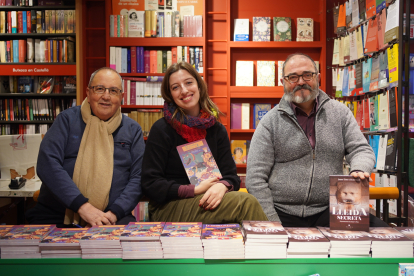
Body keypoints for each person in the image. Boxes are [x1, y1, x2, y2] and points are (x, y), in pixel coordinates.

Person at [246, 53, 388, 228]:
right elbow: (255, 178)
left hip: (332, 207)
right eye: (293, 77)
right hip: (281, 212)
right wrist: (272, 222)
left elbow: (361, 149)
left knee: (385, 235)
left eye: (307, 75)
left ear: (318, 77)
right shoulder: (270, 122)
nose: (300, 82)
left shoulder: (340, 113)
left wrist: (359, 168)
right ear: (283, 82)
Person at [141, 61, 267, 224]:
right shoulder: (162, 129)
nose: (184, 90)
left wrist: (222, 186)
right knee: (245, 203)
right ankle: (272, 246)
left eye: (188, 83)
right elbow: (150, 183)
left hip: (207, 199)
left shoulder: (216, 129)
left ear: (199, 86)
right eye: (175, 87)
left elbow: (232, 177)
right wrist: (193, 190)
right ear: (170, 95)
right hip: (168, 206)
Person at [26, 67, 145, 227]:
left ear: (121, 97)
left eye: (113, 91)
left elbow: (138, 177)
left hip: (113, 217)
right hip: (57, 214)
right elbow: (48, 164)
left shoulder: (132, 129)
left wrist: (114, 213)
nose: (106, 96)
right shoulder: (66, 121)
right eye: (100, 89)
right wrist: (83, 207)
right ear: (88, 93)